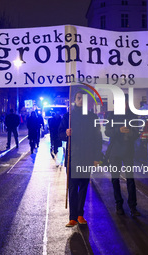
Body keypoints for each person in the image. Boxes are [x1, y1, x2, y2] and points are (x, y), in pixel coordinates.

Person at [59, 91, 102, 227]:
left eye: (83, 99)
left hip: (86, 157)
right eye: (78, 98)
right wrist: (66, 133)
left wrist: (96, 158)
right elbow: (59, 134)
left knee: (83, 187)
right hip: (72, 157)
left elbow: (97, 138)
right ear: (74, 100)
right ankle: (72, 217)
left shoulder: (92, 117)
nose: (80, 101)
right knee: (72, 187)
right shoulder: (68, 116)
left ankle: (80, 215)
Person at [104, 96, 141, 217]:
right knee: (115, 179)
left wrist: (130, 132)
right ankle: (118, 204)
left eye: (124, 103)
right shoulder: (112, 115)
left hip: (128, 151)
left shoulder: (132, 116)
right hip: (115, 152)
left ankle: (133, 207)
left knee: (130, 179)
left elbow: (137, 133)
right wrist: (118, 130)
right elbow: (107, 132)